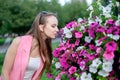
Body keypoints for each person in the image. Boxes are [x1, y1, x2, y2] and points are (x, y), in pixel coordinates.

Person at [0, 11, 59, 80]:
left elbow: (37, 77)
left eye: (57, 26)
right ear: (41, 27)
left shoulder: (46, 51)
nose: (57, 30)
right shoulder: (18, 42)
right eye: (53, 26)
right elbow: (5, 73)